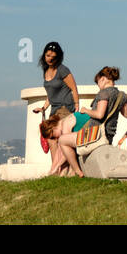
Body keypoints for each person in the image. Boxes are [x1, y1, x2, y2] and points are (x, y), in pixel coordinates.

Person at [32, 41, 79, 173]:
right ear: (44, 56)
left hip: (65, 108)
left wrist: (76, 106)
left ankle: (62, 170)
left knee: (58, 139)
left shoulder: (62, 70)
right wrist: (43, 108)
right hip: (54, 110)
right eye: (48, 56)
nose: (50, 59)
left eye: (53, 56)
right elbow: (51, 94)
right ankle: (57, 169)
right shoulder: (46, 71)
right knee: (52, 140)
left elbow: (73, 88)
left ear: (58, 57)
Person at [82, 66, 127, 142]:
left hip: (94, 134)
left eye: (98, 82)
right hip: (109, 136)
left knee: (63, 140)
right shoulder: (121, 95)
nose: (98, 86)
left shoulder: (103, 93)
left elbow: (99, 115)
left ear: (103, 79)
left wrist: (85, 110)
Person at [40, 109, 90, 177]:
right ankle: (64, 173)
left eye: (52, 137)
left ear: (53, 128)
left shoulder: (65, 125)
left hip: (90, 132)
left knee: (62, 141)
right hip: (87, 131)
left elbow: (65, 153)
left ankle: (78, 172)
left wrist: (57, 167)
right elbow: (59, 151)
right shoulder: (63, 123)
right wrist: (52, 169)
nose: (54, 139)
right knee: (61, 142)